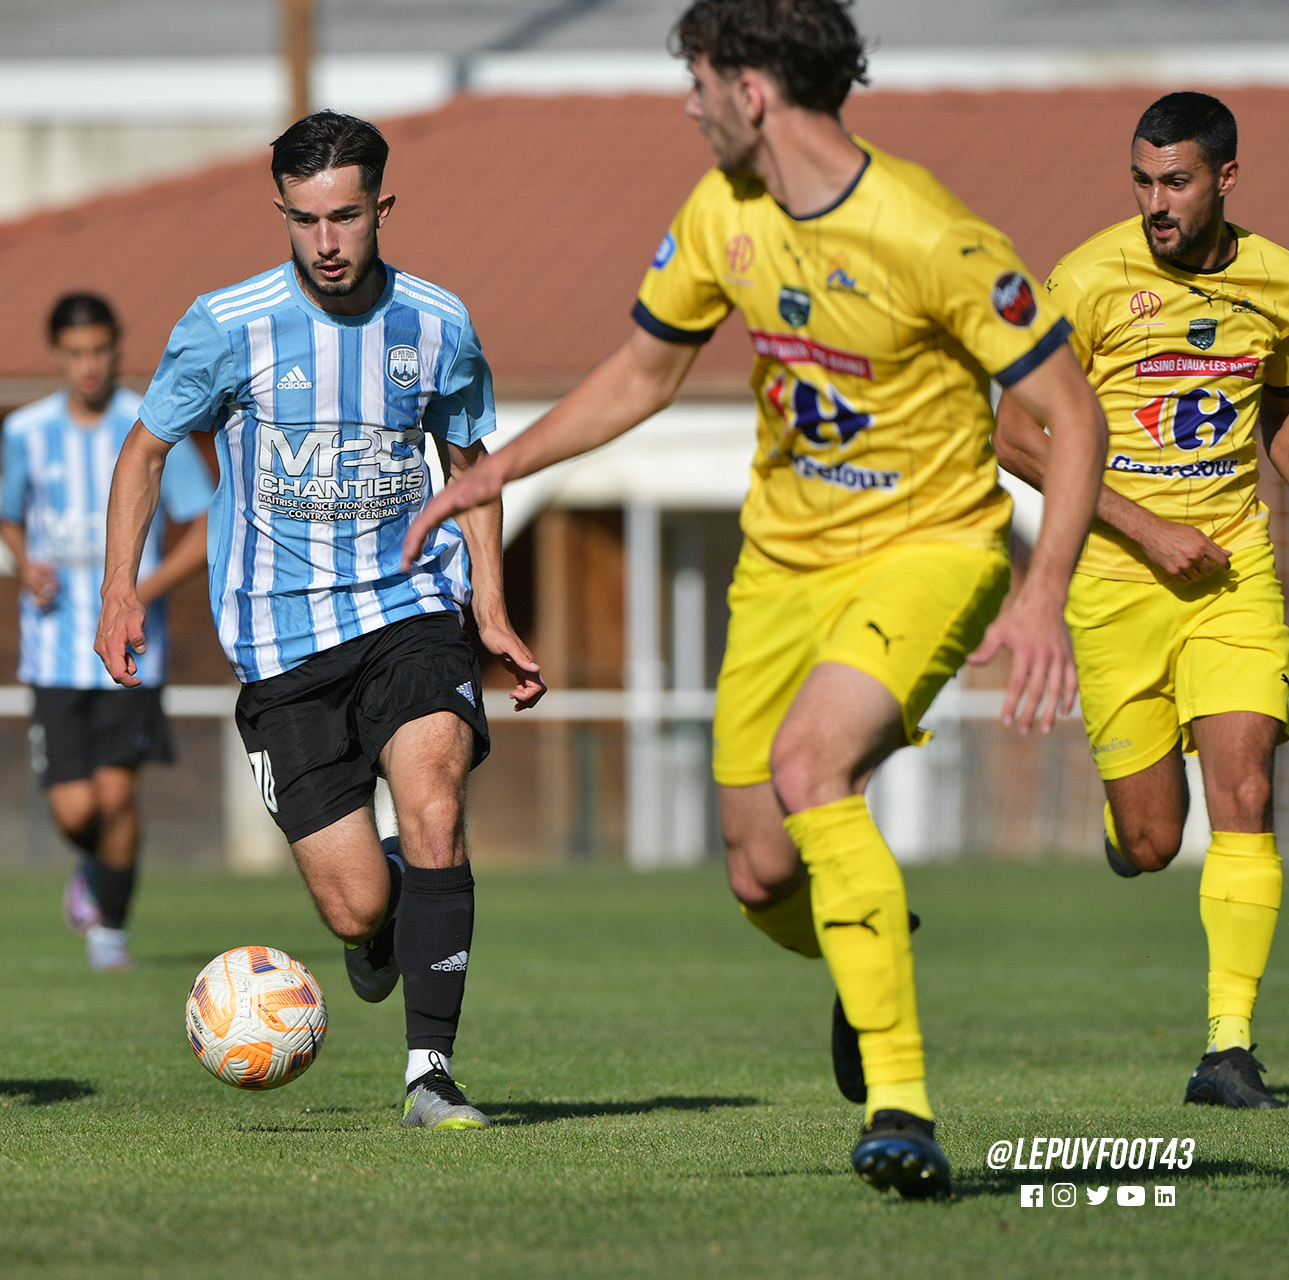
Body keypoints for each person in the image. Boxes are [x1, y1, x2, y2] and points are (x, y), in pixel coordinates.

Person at [408, 0, 1106, 1194]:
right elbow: (644, 370)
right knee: (758, 871)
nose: (687, 105)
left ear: (754, 91)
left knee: (811, 770)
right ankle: (866, 944)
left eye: (698, 80)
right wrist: (502, 466)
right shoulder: (722, 210)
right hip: (783, 562)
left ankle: (903, 1103)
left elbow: (1074, 416)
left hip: (928, 549)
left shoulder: (932, 234)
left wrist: (1044, 593)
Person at [96, 110, 545, 1129]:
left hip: (408, 609)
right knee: (356, 906)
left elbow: (470, 465)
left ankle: (431, 1072)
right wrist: (120, 589)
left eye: (346, 216)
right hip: (280, 641)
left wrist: (491, 604)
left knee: (432, 801)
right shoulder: (227, 324)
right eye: (305, 220)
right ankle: (385, 916)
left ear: (383, 206)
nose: (327, 241)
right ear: (283, 214)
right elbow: (145, 450)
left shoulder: (437, 323)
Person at [995, 92, 1289, 1110]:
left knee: (1246, 791)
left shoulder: (1277, 283)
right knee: (1158, 839)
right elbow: (1018, 436)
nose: (1156, 201)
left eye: (1176, 181)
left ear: (1225, 180)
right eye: (1142, 181)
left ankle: (1229, 1048)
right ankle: (1130, 834)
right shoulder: (1083, 279)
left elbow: (1281, 410)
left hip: (1234, 578)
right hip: (1118, 584)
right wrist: (1148, 527)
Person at [0, 293, 214, 971]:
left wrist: (135, 591)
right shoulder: (25, 431)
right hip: (53, 652)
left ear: (118, 349)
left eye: (100, 350)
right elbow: (9, 517)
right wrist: (25, 562)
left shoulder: (152, 426)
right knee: (74, 810)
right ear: (58, 355)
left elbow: (204, 527)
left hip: (131, 652)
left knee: (118, 794)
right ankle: (93, 874)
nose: (89, 365)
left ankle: (111, 931)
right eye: (76, 352)